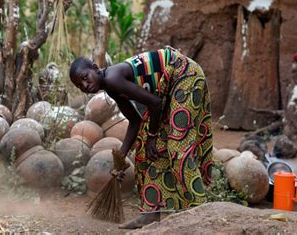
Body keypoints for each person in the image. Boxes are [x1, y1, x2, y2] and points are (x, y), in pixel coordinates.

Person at [69, 46, 214, 229]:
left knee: (178, 146)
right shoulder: (111, 88)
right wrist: (121, 157)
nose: (85, 86)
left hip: (185, 74)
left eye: (85, 77)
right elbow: (135, 121)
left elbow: (155, 103)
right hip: (170, 85)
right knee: (146, 151)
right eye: (79, 86)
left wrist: (153, 136)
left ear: (96, 68)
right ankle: (149, 215)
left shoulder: (113, 78)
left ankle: (202, 212)